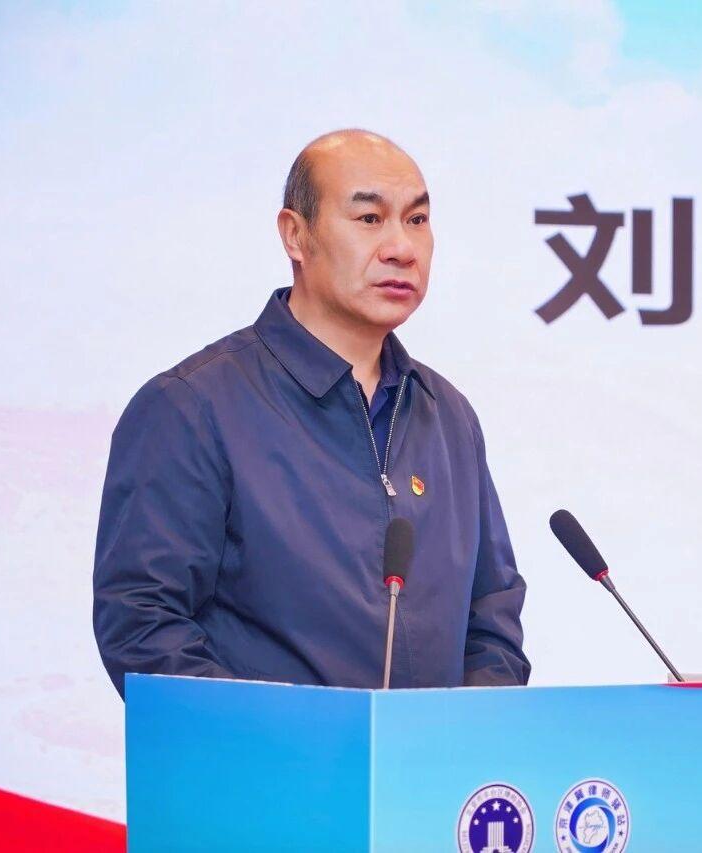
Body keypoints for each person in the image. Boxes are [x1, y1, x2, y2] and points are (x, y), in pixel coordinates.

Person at [92, 129, 529, 697]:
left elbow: (491, 614)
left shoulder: (447, 415)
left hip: (432, 757)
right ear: (295, 235)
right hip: (263, 755)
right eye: (369, 219)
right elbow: (143, 625)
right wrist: (288, 738)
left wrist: (466, 731)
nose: (402, 248)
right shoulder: (192, 408)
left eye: (417, 220)